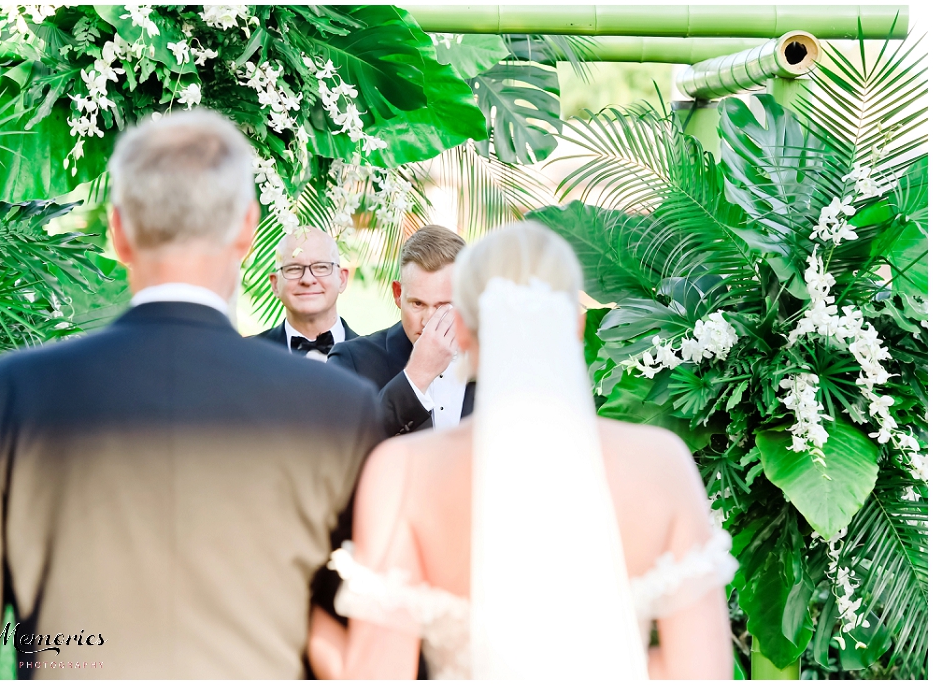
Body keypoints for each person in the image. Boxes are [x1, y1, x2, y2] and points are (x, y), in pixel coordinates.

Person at [0, 110, 383, 679]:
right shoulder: (336, 406)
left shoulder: (2, 397)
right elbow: (363, 646)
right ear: (245, 229)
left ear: (117, 231)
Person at [306, 222, 737, 679]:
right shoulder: (662, 464)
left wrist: (310, 626)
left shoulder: (402, 473)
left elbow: (378, 674)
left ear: (465, 330)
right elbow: (702, 674)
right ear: (577, 323)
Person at [329, 225, 474, 437]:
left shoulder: (496, 362)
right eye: (417, 303)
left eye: (444, 305)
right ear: (398, 294)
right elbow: (341, 447)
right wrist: (417, 376)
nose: (428, 321)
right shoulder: (351, 360)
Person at [256, 227, 358, 360]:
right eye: (294, 269)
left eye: (321, 267)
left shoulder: (376, 359)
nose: (307, 280)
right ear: (275, 284)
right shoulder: (246, 357)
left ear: (342, 279)